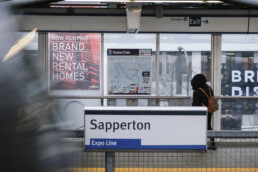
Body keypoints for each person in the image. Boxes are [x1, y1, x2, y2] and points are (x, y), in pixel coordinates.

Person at [191, 74, 216, 150]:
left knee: (199, 127)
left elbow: (195, 104)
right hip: (211, 109)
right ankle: (212, 143)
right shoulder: (209, 88)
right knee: (208, 126)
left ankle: (199, 144)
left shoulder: (198, 91)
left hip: (201, 112)